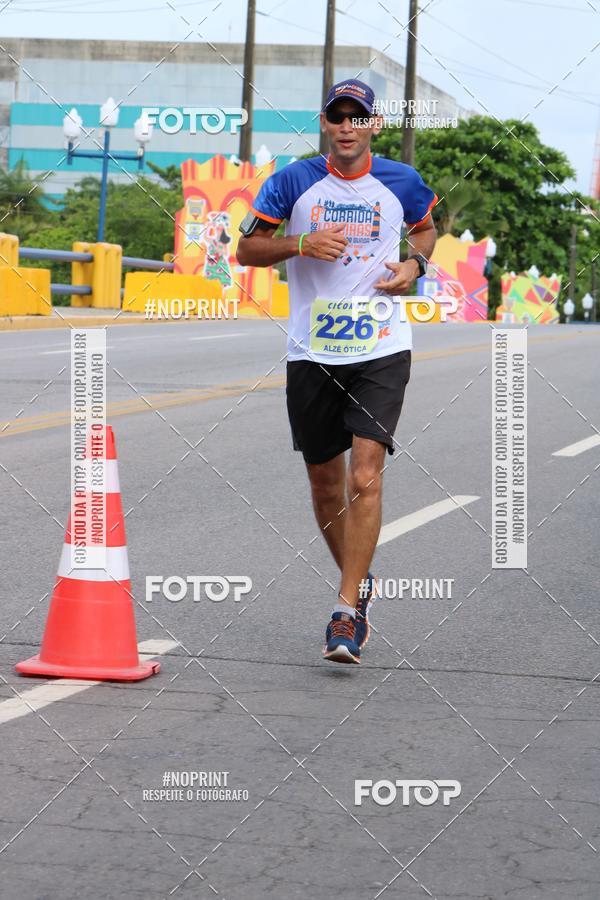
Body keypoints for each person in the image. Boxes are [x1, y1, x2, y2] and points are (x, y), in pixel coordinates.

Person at [236, 79, 437, 665]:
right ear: (325, 122)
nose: (347, 125)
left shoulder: (401, 180)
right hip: (313, 349)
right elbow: (246, 251)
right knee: (325, 485)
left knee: (364, 477)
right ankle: (361, 578)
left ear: (374, 124)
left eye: (358, 116)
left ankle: (345, 611)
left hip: (381, 345)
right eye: (337, 115)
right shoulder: (294, 181)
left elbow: (426, 226)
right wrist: (301, 244)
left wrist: (414, 263)